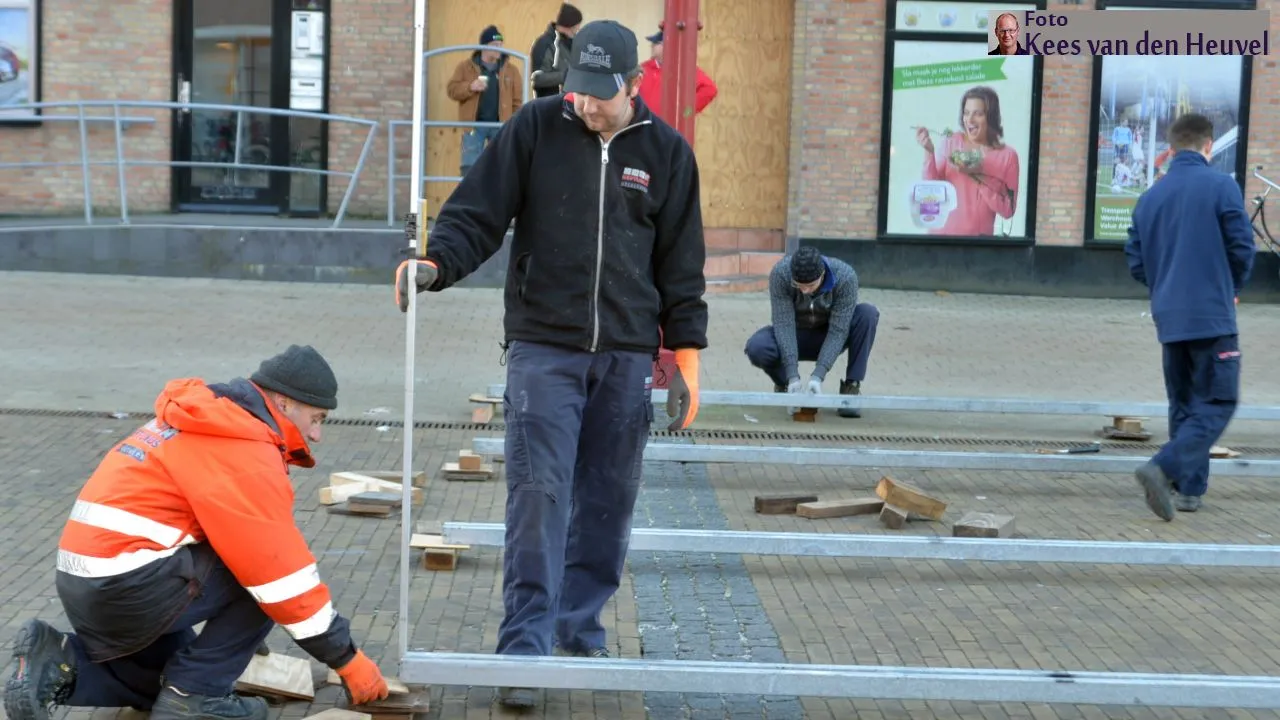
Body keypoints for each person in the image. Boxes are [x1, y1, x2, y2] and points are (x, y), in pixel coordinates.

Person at [394, 18, 707, 710]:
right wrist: (437, 263)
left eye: (600, 92)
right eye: (578, 90)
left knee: (608, 499)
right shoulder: (535, 128)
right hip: (544, 349)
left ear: (633, 84)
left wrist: (686, 356)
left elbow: (682, 267)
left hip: (625, 355)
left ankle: (578, 625)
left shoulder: (667, 154)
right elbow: (477, 212)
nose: (585, 104)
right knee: (539, 498)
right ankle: (525, 647)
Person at [2, 345, 390, 720]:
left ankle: (61, 662)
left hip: (90, 586)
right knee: (262, 578)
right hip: (129, 587)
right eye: (317, 418)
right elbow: (280, 578)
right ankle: (196, 699)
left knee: (168, 678)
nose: (317, 435)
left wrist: (239, 642)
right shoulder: (243, 449)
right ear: (284, 403)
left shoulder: (202, 418)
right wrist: (347, 659)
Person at [1124, 112, 1256, 520]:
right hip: (1212, 316)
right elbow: (1242, 248)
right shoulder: (1222, 186)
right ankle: (1163, 468)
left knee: (1184, 404)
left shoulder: (1151, 197)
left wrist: (1165, 287)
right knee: (1218, 401)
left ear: (1172, 147)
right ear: (1208, 145)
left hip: (1170, 318)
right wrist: (1230, 288)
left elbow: (1135, 260)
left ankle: (1188, 490)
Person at [743, 246, 880, 419]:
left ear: (822, 275)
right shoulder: (781, 274)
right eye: (798, 285)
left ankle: (851, 388)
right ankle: (786, 386)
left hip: (829, 334)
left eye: (810, 285)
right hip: (796, 334)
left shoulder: (845, 277)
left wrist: (818, 376)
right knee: (757, 346)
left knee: (867, 314)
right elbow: (783, 324)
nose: (804, 290)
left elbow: (838, 331)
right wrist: (792, 376)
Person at [914, 85, 1020, 236]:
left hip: (977, 243)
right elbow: (931, 190)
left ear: (990, 117)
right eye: (966, 113)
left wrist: (977, 176)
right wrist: (929, 151)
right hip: (939, 238)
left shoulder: (1008, 156)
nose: (969, 120)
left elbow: (1008, 210)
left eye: (978, 114)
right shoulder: (951, 142)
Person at [447, 25, 523, 175]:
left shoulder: (511, 70)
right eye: (495, 45)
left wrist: (513, 125)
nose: (499, 49)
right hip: (474, 126)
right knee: (470, 169)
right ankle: (471, 191)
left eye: (501, 45)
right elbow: (452, 90)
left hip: (501, 126)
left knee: (501, 169)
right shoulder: (466, 67)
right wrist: (470, 87)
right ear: (483, 46)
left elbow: (517, 102)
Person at [636, 27, 718, 117]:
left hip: (668, 124)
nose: (652, 46)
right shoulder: (643, 68)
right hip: (643, 123)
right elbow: (631, 93)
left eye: (656, 43)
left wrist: (686, 112)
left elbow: (710, 89)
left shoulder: (683, 69)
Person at [528, 3, 583, 98]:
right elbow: (537, 78)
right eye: (576, 27)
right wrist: (565, 75)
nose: (577, 30)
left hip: (570, 101)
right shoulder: (544, 44)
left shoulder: (572, 43)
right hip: (550, 102)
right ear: (568, 26)